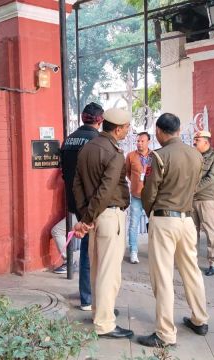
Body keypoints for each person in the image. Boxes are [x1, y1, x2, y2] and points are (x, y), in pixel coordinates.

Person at [136, 113, 208, 348]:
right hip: (187, 220)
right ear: (178, 129)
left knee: (163, 276)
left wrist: (151, 214)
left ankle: (165, 333)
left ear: (158, 131)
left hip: (165, 218)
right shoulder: (196, 154)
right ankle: (200, 319)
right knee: (191, 271)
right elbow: (196, 186)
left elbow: (149, 193)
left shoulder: (159, 155)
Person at [72, 108, 132, 339]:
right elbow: (106, 190)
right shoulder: (114, 152)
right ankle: (105, 323)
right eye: (127, 127)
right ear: (117, 128)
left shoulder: (88, 147)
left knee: (97, 268)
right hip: (108, 215)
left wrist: (84, 217)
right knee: (109, 273)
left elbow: (76, 184)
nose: (128, 131)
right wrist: (87, 219)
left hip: (93, 216)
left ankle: (100, 311)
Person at [60, 102, 103, 311]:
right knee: (90, 251)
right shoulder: (96, 140)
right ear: (99, 120)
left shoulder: (69, 139)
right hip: (89, 204)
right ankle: (88, 298)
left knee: (87, 249)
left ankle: (87, 294)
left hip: (73, 201)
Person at [191, 131, 214, 276]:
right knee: (192, 232)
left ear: (206, 142)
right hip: (191, 199)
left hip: (205, 199)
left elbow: (211, 178)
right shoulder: (193, 156)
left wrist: (193, 189)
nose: (194, 142)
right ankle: (192, 261)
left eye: (197, 140)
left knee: (210, 231)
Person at [125, 132, 152, 264]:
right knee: (133, 224)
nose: (139, 143)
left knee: (154, 224)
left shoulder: (154, 156)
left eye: (142, 141)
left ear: (148, 142)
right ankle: (133, 251)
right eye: (138, 141)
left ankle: (154, 250)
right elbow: (128, 172)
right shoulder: (131, 156)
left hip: (151, 197)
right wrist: (135, 183)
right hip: (136, 195)